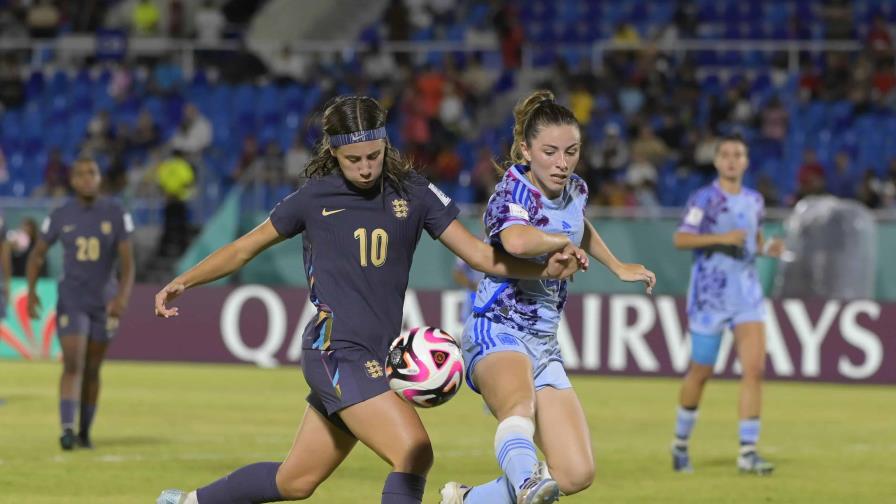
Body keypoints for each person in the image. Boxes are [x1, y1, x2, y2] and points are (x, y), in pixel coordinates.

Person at [154, 95, 584, 504]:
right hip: (334, 349)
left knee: (296, 480)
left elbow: (478, 255)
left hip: (376, 353)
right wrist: (185, 280)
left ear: (385, 144)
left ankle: (188, 501)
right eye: (353, 160)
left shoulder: (414, 192)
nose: (365, 168)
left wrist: (542, 270)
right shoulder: (314, 197)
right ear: (334, 153)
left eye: (373, 156)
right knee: (414, 450)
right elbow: (242, 248)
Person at [440, 90, 656, 504]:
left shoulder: (575, 188)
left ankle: (467, 501)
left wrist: (617, 265)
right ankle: (525, 486)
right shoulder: (511, 192)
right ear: (526, 149)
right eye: (551, 152)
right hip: (497, 331)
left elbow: (580, 225)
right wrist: (557, 241)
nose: (562, 163)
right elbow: (516, 241)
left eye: (572, 152)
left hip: (544, 345)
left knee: (575, 473)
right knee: (518, 409)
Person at [669, 135, 783, 475]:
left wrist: (767, 248)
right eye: (726, 155)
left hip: (747, 296)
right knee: (701, 372)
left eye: (738, 155)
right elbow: (681, 238)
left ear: (746, 162)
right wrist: (720, 238)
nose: (732, 160)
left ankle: (748, 453)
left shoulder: (755, 201)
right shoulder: (704, 199)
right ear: (717, 161)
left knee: (754, 371)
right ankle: (679, 443)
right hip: (710, 298)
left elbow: (754, 241)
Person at [26, 158, 135, 450]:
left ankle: (85, 432)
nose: (87, 179)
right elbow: (37, 254)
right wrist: (32, 291)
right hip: (72, 299)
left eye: (92, 173)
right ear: (72, 181)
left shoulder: (115, 213)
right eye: (81, 174)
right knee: (73, 362)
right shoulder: (61, 214)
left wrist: (121, 298)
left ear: (99, 178)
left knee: (92, 368)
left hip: (104, 302)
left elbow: (128, 263)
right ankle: (66, 429)